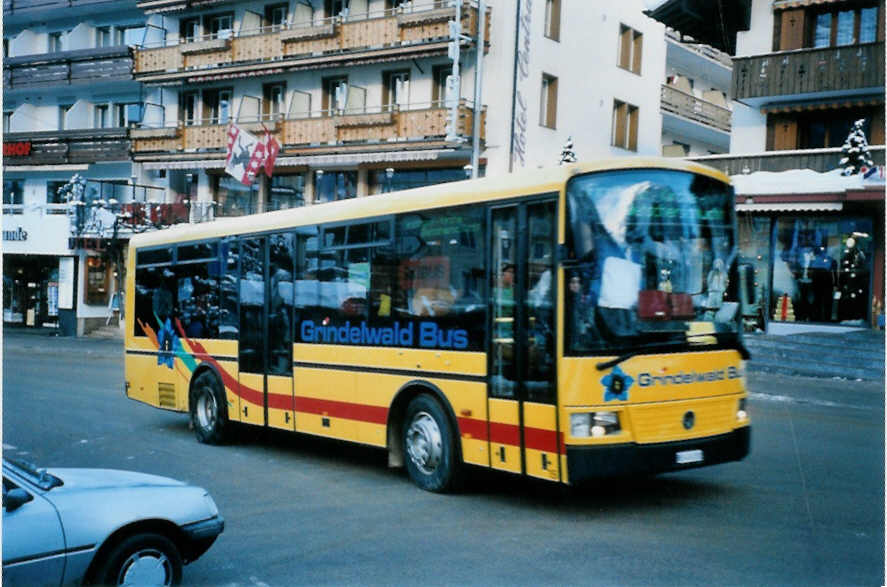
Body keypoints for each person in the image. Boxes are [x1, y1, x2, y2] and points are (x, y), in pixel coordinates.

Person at [567, 272, 598, 349]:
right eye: (573, 282)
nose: (575, 285)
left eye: (578, 283)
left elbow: (590, 319)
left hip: (581, 339)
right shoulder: (567, 298)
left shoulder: (585, 299)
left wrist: (584, 328)